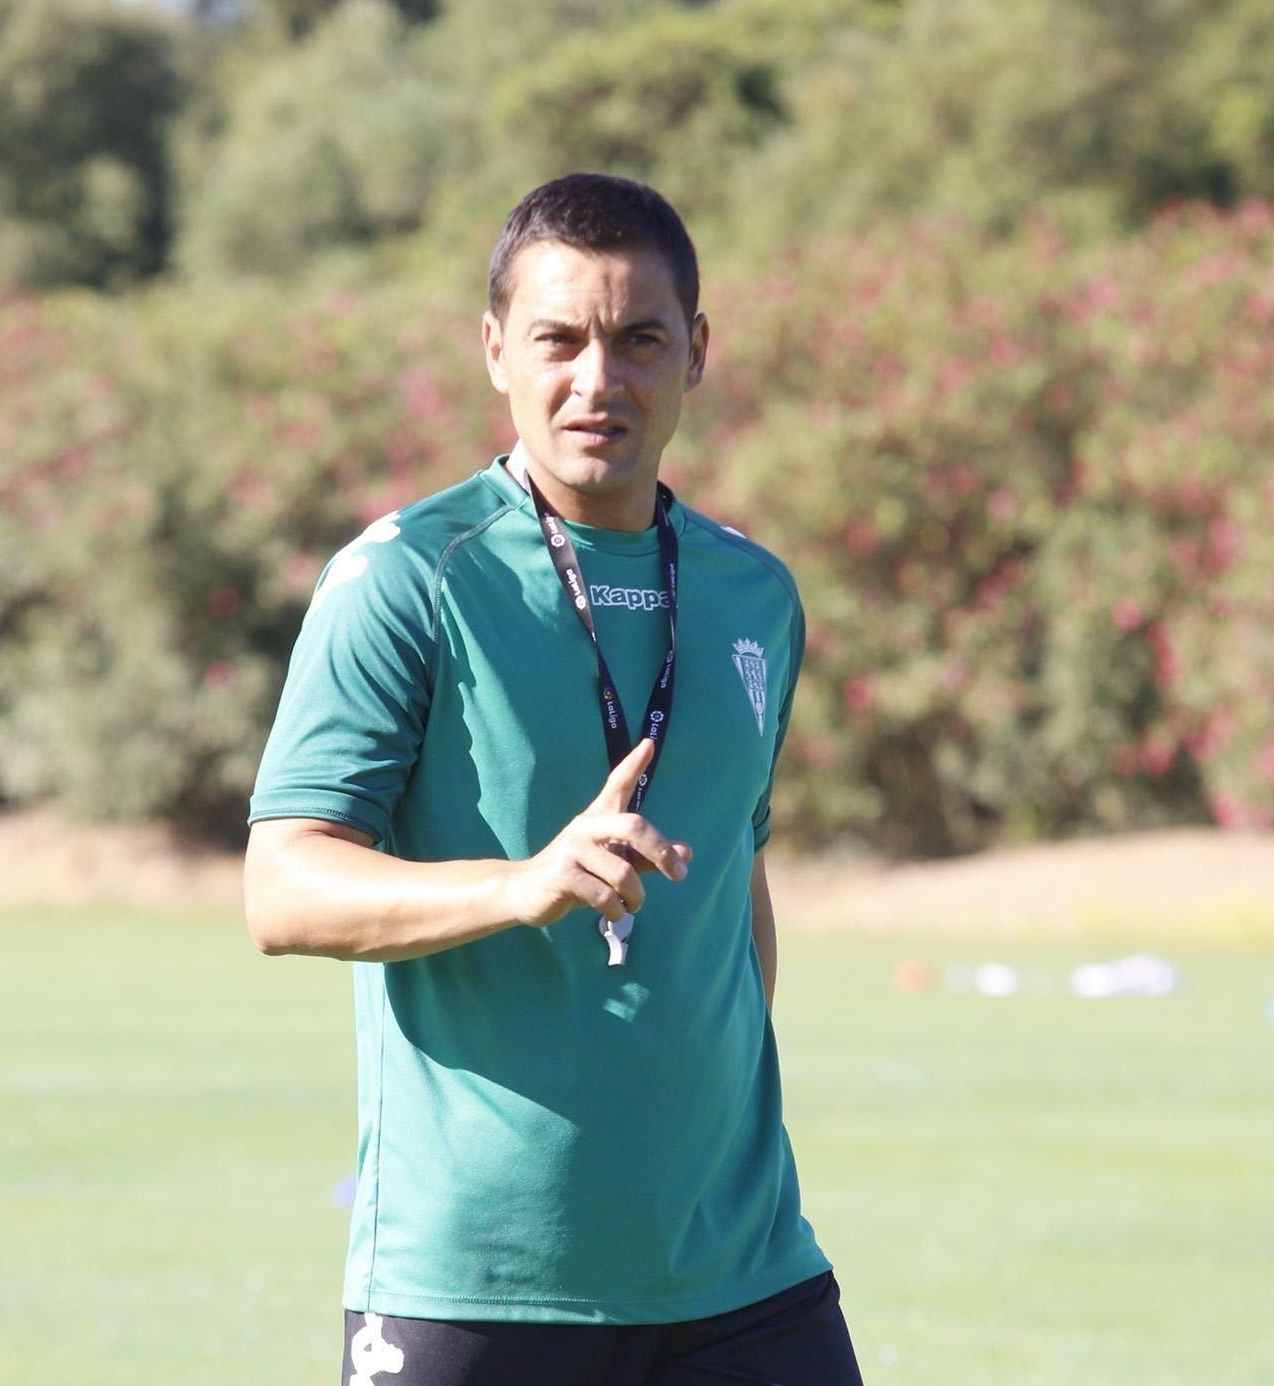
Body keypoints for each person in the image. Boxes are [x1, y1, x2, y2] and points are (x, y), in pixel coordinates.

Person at [244, 172, 862, 1386]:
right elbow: (282, 889)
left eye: (639, 339)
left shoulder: (756, 593)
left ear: (696, 350)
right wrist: (521, 886)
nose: (599, 379)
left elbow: (736, 877)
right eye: (558, 340)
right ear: (494, 352)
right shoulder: (407, 579)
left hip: (743, 1273)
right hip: (477, 1287)